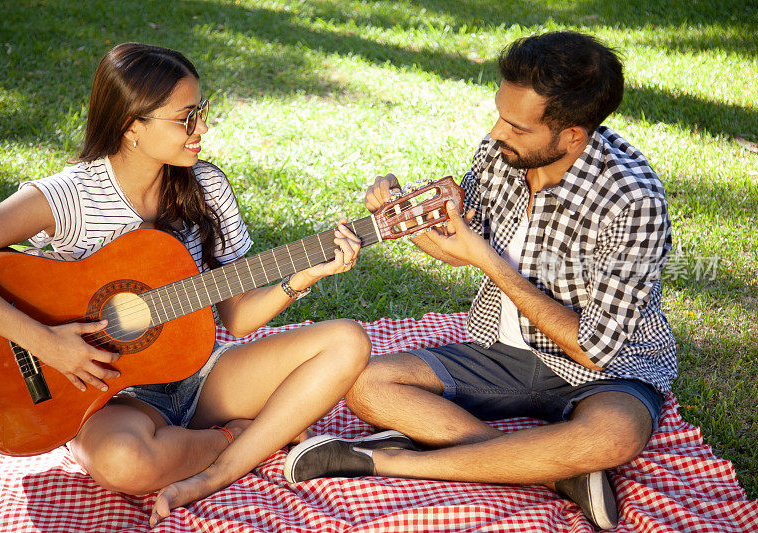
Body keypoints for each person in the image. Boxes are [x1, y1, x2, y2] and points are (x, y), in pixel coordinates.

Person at [0, 42, 373, 526]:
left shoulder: (208, 187)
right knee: (124, 462)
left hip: (203, 375)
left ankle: (214, 473)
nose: (202, 129)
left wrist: (299, 280)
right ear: (133, 125)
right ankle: (235, 437)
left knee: (347, 341)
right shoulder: (69, 196)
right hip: (109, 395)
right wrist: (45, 342)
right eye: (186, 118)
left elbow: (236, 318)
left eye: (202, 111)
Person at [283, 31, 676, 530]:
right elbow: (456, 244)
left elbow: (594, 348)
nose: (495, 133)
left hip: (607, 372)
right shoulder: (503, 154)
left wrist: (488, 261)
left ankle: (389, 461)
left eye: (515, 125)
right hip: (502, 353)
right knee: (365, 383)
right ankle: (553, 474)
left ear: (573, 135)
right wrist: (399, 213)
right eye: (499, 113)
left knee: (614, 438)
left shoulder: (633, 201)